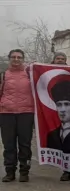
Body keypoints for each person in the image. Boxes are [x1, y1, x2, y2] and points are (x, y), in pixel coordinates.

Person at [0, 49, 34, 183]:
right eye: (13, 57)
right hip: (6, 113)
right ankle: (10, 172)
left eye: (19, 57)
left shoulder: (30, 74)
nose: (16, 59)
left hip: (26, 113)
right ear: (9, 59)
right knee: (9, 145)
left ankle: (24, 171)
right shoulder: (3, 75)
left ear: (23, 59)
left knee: (25, 144)